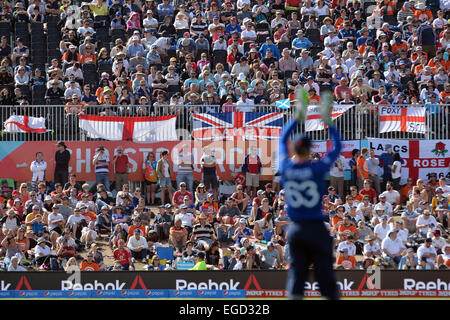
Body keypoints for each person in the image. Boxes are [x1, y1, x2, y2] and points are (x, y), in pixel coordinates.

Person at [279, 105, 341, 299]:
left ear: (295, 148)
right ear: (310, 149)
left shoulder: (286, 166)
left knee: (297, 279)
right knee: (326, 278)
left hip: (296, 228)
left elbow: (282, 138)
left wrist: (297, 117)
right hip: (316, 227)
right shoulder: (317, 168)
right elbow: (337, 147)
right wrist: (328, 121)